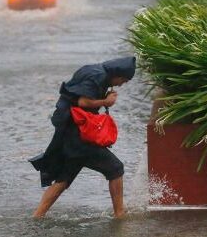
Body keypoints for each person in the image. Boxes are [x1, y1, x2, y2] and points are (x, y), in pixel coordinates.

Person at [30, 57, 136, 218]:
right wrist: (106, 101)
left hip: (70, 132)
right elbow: (83, 101)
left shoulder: (92, 70)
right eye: (124, 80)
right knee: (116, 168)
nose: (122, 84)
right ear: (117, 73)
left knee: (63, 179)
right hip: (79, 136)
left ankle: (38, 215)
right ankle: (120, 214)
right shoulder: (98, 76)